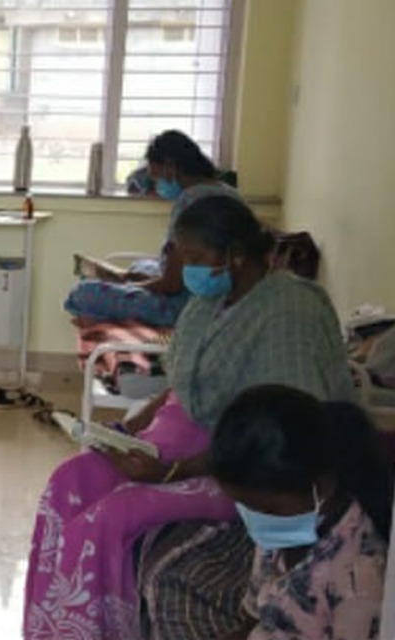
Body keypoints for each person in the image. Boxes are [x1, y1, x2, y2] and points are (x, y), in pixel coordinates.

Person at [24, 195, 354, 639]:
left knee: (112, 516)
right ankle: (53, 628)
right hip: (166, 445)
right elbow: (189, 372)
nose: (186, 270)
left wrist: (172, 471)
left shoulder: (288, 312)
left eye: (195, 258)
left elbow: (282, 436)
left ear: (235, 255)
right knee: (71, 480)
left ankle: (101, 629)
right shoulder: (209, 301)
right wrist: (149, 410)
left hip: (231, 461)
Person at [211, 385, 389, 640]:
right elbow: (256, 619)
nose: (257, 520)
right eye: (245, 507)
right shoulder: (277, 534)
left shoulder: (357, 580)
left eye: (265, 509)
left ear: (322, 487)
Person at [66, 130, 242, 327]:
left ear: (170, 167)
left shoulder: (189, 202)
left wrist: (130, 285)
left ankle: (99, 319)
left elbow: (171, 286)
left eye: (156, 179)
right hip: (217, 297)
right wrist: (132, 279)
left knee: (83, 293)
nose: (157, 187)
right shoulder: (228, 192)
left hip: (184, 307)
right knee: (139, 267)